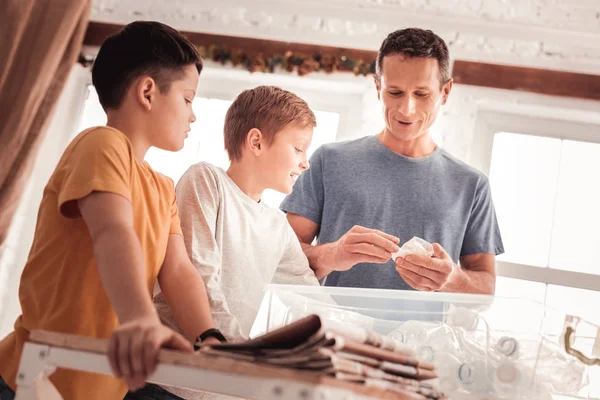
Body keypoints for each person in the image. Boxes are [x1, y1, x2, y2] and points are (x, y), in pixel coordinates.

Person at [0, 21, 224, 400]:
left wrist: (209, 337)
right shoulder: (102, 144)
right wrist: (140, 319)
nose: (193, 115)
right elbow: (111, 231)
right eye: (187, 99)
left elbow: (179, 270)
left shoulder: (162, 186)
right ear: (148, 92)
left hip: (101, 387)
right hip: (33, 377)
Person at [125, 85, 320, 400]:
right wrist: (240, 351)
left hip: (217, 389)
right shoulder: (207, 181)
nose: (305, 163)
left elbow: (309, 295)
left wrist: (378, 337)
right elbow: (201, 276)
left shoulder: (277, 225)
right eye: (298, 149)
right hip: (162, 382)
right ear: (256, 141)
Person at [282, 28, 503, 295]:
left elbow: (486, 287)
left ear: (445, 92)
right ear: (378, 87)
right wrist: (331, 255)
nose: (406, 109)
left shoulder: (472, 185)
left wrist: (452, 278)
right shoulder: (329, 161)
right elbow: (282, 256)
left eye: (422, 94)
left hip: (425, 337)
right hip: (331, 333)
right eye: (395, 92)